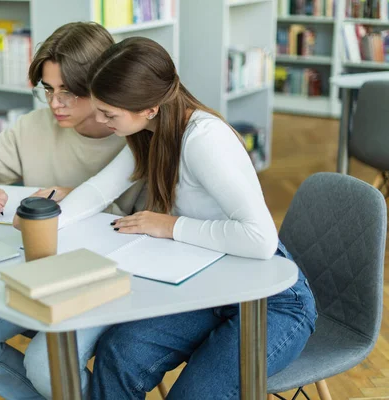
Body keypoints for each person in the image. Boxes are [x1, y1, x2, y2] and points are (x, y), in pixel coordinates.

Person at [49, 37, 318, 399]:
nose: (98, 120)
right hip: (209, 287)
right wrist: (46, 223)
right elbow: (100, 190)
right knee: (118, 354)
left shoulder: (203, 139)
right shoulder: (150, 133)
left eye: (108, 114)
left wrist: (170, 226)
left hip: (272, 302)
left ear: (149, 107)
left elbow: (260, 239)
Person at [0, 23, 145, 400]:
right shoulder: (36, 126)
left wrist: (81, 202)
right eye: (48, 90)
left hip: (106, 281)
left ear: (102, 83)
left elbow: (153, 230)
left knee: (46, 365)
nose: (55, 104)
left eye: (68, 92)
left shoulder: (135, 135)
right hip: (35, 272)